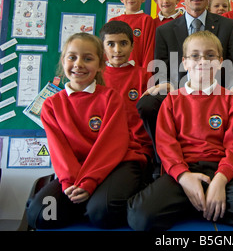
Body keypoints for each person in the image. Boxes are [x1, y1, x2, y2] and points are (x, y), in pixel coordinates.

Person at [127, 31, 233, 231]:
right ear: (184, 62)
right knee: (139, 217)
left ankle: (204, 203)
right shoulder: (172, 100)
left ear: (220, 62)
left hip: (222, 172)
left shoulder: (230, 99)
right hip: (183, 172)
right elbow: (166, 145)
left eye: (210, 55)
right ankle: (202, 202)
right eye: (195, 55)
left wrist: (220, 181)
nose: (203, 61)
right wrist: (184, 177)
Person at [27, 33, 147, 229]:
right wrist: (70, 185)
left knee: (102, 212)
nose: (79, 64)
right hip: (77, 170)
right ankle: (85, 202)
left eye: (88, 58)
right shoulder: (51, 105)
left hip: (118, 163)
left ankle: (98, 201)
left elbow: (111, 145)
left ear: (101, 65)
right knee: (41, 215)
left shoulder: (110, 97)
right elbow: (60, 151)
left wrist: (89, 182)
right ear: (63, 61)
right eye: (72, 57)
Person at [137, 0, 233, 164]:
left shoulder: (228, 26)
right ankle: (163, 161)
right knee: (147, 104)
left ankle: (229, 162)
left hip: (217, 92)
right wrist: (163, 83)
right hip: (177, 90)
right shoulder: (165, 30)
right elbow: (161, 67)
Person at [100, 21, 155, 182]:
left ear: (132, 46)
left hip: (135, 151)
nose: (117, 50)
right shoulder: (96, 77)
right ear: (102, 47)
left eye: (123, 43)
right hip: (102, 150)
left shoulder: (144, 76)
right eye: (111, 44)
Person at [109, 0, 156, 69]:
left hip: (138, 74)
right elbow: (108, 50)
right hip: (116, 72)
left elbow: (149, 51)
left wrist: (145, 75)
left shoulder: (146, 20)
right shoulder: (113, 21)